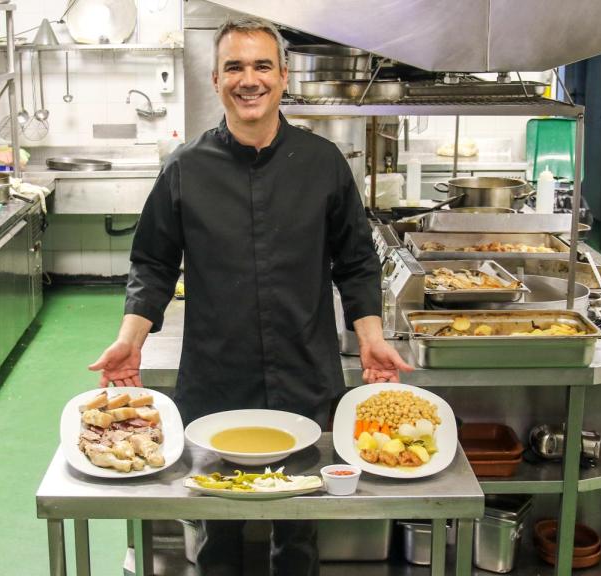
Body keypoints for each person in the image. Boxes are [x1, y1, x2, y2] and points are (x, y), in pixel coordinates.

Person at [89, 16, 412, 576]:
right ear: (216, 80)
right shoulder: (185, 168)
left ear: (283, 77)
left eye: (262, 65)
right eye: (234, 67)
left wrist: (371, 337)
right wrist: (130, 339)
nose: (249, 79)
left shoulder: (323, 163)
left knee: (299, 524)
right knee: (217, 526)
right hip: (218, 374)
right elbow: (153, 263)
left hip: (303, 371)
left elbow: (356, 260)